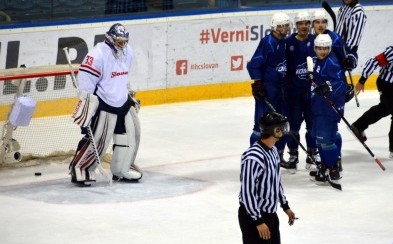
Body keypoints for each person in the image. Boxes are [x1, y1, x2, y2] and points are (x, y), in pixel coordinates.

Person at [69, 23, 142, 186]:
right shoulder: (97, 54)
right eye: (119, 41)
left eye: (124, 41)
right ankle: (82, 168)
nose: (122, 45)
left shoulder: (128, 52)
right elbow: (85, 81)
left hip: (123, 101)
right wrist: (87, 105)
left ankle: (122, 167)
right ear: (109, 38)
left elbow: (124, 77)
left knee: (133, 135)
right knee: (99, 142)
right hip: (104, 103)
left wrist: (129, 93)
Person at [238, 111, 296, 244]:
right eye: (282, 127)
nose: (285, 130)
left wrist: (285, 206)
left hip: (270, 214)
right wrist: (258, 221)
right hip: (253, 216)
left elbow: (275, 182)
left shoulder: (273, 151)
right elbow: (248, 193)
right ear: (275, 130)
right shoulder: (253, 157)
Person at [311, 9, 356, 172]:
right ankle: (328, 163)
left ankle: (333, 165)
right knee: (322, 136)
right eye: (317, 22)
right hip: (318, 103)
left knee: (325, 137)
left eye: (323, 21)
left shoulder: (333, 54)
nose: (320, 24)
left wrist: (350, 59)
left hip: (330, 103)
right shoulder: (314, 48)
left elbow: (339, 78)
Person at [247, 12, 291, 163]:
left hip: (280, 90)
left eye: (287, 25)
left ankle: (275, 156)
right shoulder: (268, 42)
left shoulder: (283, 42)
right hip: (267, 90)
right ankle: (255, 157)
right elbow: (254, 63)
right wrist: (258, 83)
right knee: (260, 124)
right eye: (283, 26)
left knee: (279, 124)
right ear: (276, 27)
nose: (286, 28)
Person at [281, 11, 321, 172]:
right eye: (300, 24)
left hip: (311, 93)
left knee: (312, 125)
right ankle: (293, 155)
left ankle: (312, 152)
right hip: (294, 94)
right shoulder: (288, 43)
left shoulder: (316, 41)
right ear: (295, 26)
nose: (303, 26)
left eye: (306, 23)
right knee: (294, 126)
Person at [310, 34, 347, 183]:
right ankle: (325, 165)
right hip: (319, 107)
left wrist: (328, 88)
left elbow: (340, 83)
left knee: (325, 140)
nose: (322, 51)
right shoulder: (317, 61)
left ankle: (333, 169)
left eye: (325, 48)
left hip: (328, 108)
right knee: (320, 140)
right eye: (319, 48)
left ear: (329, 48)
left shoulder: (331, 62)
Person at [351, 46, 393, 159]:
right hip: (388, 85)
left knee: (385, 108)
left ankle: (358, 126)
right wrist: (361, 81)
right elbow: (372, 62)